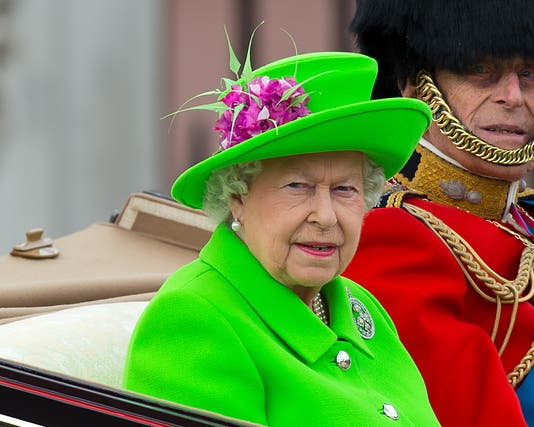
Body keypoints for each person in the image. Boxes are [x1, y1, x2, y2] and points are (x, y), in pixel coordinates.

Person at [343, 1, 534, 426]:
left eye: (530, 74)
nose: (513, 96)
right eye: (481, 70)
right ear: (413, 85)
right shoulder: (396, 235)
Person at [123, 49, 440, 426]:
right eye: (297, 186)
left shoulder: (363, 308)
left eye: (344, 190)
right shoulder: (192, 319)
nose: (325, 216)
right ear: (238, 197)